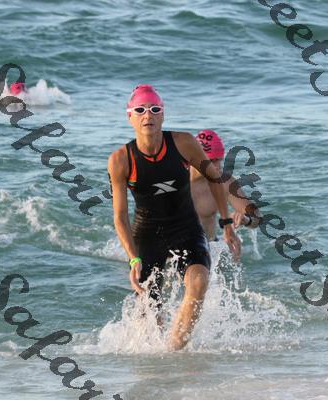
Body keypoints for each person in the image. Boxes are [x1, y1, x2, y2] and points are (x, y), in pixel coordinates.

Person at [108, 85, 241, 350]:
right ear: (130, 117)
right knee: (149, 306)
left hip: (186, 228)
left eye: (155, 109)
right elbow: (120, 217)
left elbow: (214, 178)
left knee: (199, 282)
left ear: (163, 114)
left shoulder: (183, 143)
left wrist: (227, 224)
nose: (148, 115)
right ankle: (154, 358)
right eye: (140, 110)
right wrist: (133, 258)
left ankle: (174, 350)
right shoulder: (121, 160)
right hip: (147, 235)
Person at [191, 130, 262, 243]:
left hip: (210, 247)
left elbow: (257, 217)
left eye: (219, 159)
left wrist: (246, 219)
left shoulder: (224, 181)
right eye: (211, 161)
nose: (218, 166)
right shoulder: (174, 182)